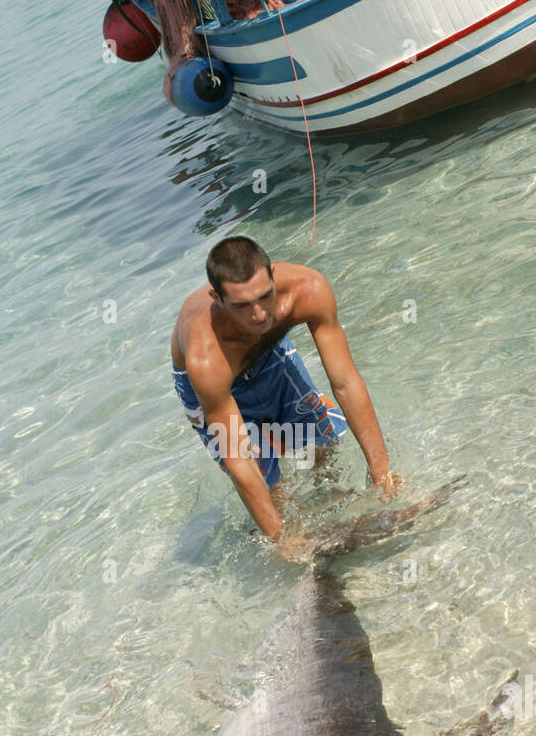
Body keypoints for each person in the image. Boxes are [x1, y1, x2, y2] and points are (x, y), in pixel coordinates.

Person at [171, 236, 404, 552]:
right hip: (215, 383)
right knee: (271, 487)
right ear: (217, 298)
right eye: (241, 305)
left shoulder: (307, 289)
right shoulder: (205, 356)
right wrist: (282, 540)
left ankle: (335, 516)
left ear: (272, 275)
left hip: (267, 354)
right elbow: (237, 455)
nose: (258, 315)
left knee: (322, 445)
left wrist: (381, 475)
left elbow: (345, 381)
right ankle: (295, 538)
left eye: (265, 296)